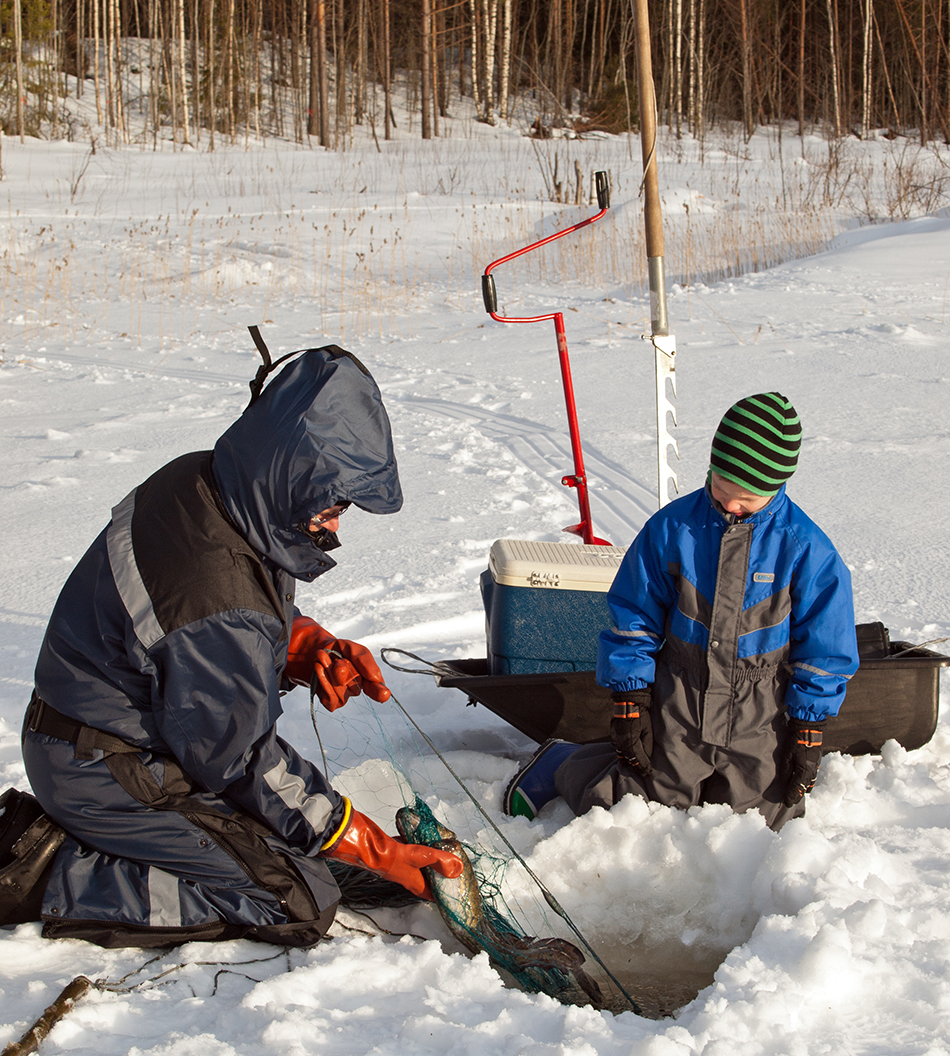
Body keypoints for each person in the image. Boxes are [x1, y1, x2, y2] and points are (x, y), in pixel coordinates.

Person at [9, 344, 461, 947]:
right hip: (106, 767)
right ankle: (41, 871)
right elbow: (239, 758)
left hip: (115, 730)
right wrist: (370, 847)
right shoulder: (215, 594)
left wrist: (298, 645)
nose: (333, 525)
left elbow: (198, 627)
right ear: (291, 472)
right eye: (333, 502)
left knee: (283, 838)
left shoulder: (210, 482)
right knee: (293, 898)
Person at [505, 392, 859, 832]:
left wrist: (807, 729)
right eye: (722, 488)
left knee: (757, 825)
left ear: (777, 487)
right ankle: (564, 763)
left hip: (760, 708)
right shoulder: (673, 528)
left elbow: (826, 651)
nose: (730, 505)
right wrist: (631, 698)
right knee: (643, 807)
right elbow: (634, 616)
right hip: (681, 695)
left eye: (746, 499)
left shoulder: (806, 550)